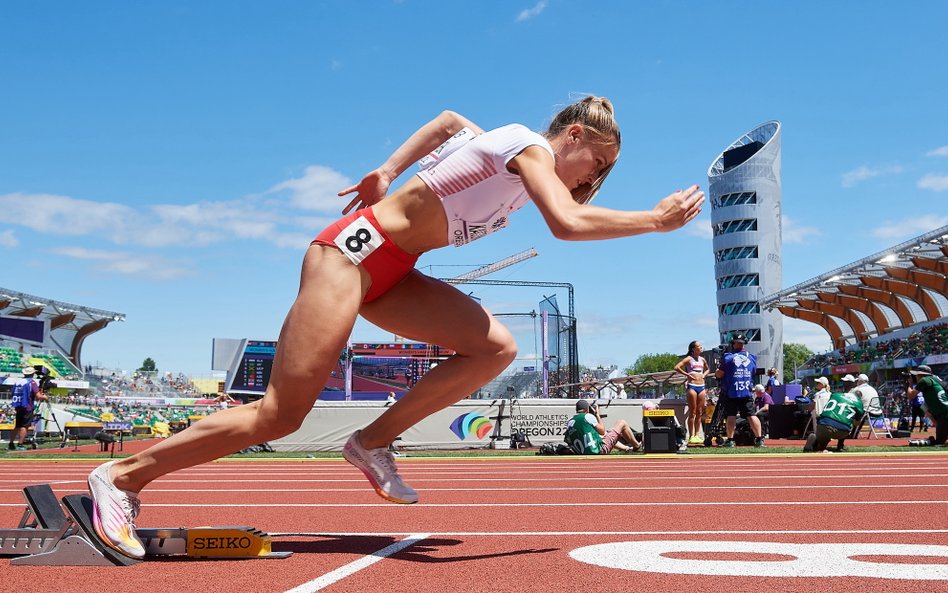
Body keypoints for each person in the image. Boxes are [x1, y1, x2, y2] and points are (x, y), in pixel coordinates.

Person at [84, 96, 705, 559]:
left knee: (494, 349)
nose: (589, 181)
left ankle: (371, 442)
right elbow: (566, 223)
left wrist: (385, 171)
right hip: (347, 258)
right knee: (279, 415)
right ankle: (120, 476)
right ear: (571, 136)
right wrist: (653, 220)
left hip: (393, 270)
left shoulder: (504, 148)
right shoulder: (530, 149)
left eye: (598, 177)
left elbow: (448, 121)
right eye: (593, 165)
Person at [714, 333, 764, 447]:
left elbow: (720, 374)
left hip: (731, 391)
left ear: (733, 343)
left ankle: (730, 440)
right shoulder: (751, 357)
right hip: (745, 390)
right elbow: (753, 372)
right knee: (751, 415)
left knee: (731, 415)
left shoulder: (728, 357)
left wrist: (717, 372)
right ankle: (759, 439)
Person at [564, 399, 640, 454]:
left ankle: (626, 448)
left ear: (576, 410)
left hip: (582, 452)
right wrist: (597, 414)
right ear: (587, 409)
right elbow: (602, 431)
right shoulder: (588, 416)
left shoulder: (570, 421)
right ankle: (636, 446)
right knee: (622, 423)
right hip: (598, 450)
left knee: (603, 436)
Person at [803, 389, 865, 453]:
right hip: (841, 430)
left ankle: (815, 441)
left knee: (822, 443)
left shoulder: (836, 395)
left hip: (823, 424)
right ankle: (840, 446)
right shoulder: (859, 403)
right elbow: (857, 423)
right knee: (848, 423)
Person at [674, 340, 709, 445]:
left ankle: (697, 434)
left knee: (699, 411)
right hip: (692, 386)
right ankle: (691, 435)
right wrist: (687, 374)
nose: (701, 347)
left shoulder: (702, 359)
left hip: (701, 386)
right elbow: (676, 367)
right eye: (699, 346)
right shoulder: (689, 359)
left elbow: (708, 369)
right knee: (692, 411)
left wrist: (704, 375)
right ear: (693, 349)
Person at [906, 365, 948, 446]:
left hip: (944, 414)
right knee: (924, 408)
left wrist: (909, 384)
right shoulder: (935, 378)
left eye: (916, 375)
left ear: (920, 374)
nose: (916, 377)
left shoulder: (925, 380)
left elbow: (910, 396)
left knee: (943, 442)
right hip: (942, 414)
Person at [9, 367, 46, 451]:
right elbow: (38, 396)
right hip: (27, 406)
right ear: (32, 374)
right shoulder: (31, 382)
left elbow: (12, 394)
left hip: (18, 406)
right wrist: (45, 397)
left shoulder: (18, 382)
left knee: (17, 426)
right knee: (24, 426)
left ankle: (11, 443)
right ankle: (20, 444)